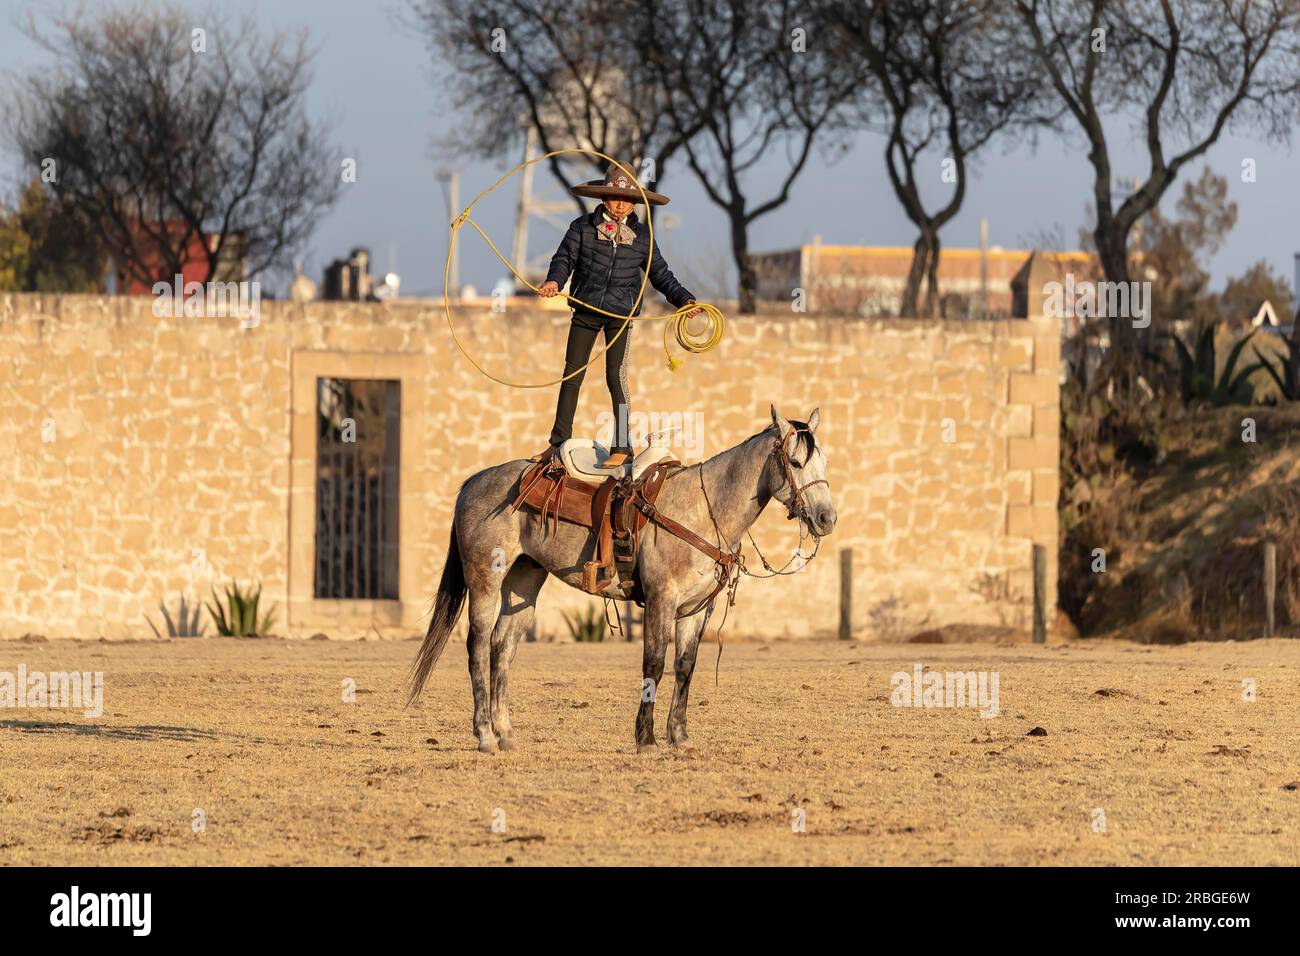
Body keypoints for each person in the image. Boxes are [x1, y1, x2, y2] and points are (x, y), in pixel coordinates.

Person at [537, 163, 699, 467]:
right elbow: (564, 259)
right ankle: (557, 444)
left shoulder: (642, 237)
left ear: (635, 202)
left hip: (621, 315)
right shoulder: (581, 228)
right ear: (603, 199)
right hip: (585, 310)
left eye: (626, 199)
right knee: (572, 375)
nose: (620, 204)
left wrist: (684, 300)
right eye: (614, 198)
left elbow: (661, 275)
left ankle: (623, 447)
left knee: (617, 377)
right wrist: (554, 282)